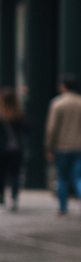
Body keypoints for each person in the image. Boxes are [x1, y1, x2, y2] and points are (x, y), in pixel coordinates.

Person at [45, 72, 81, 215]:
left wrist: (49, 148)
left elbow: (52, 128)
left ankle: (63, 208)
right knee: (78, 176)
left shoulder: (58, 103)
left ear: (63, 86)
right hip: (79, 147)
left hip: (62, 147)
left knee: (62, 177)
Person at [0, 87, 27, 211]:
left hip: (1, 150)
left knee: (0, 174)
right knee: (15, 174)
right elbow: (27, 130)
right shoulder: (19, 114)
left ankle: (1, 198)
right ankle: (14, 198)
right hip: (16, 149)